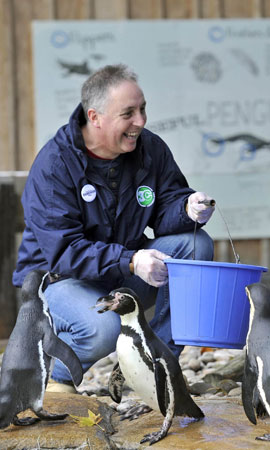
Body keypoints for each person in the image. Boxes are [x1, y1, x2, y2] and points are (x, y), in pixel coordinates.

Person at [12, 64, 215, 392]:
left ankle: (156, 369)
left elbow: (165, 206)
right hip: (58, 282)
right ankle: (58, 376)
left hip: (116, 274)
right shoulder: (54, 165)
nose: (141, 121)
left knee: (196, 245)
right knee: (103, 328)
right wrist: (132, 261)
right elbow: (65, 252)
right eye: (129, 113)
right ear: (95, 117)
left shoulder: (151, 149)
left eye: (143, 109)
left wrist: (187, 209)